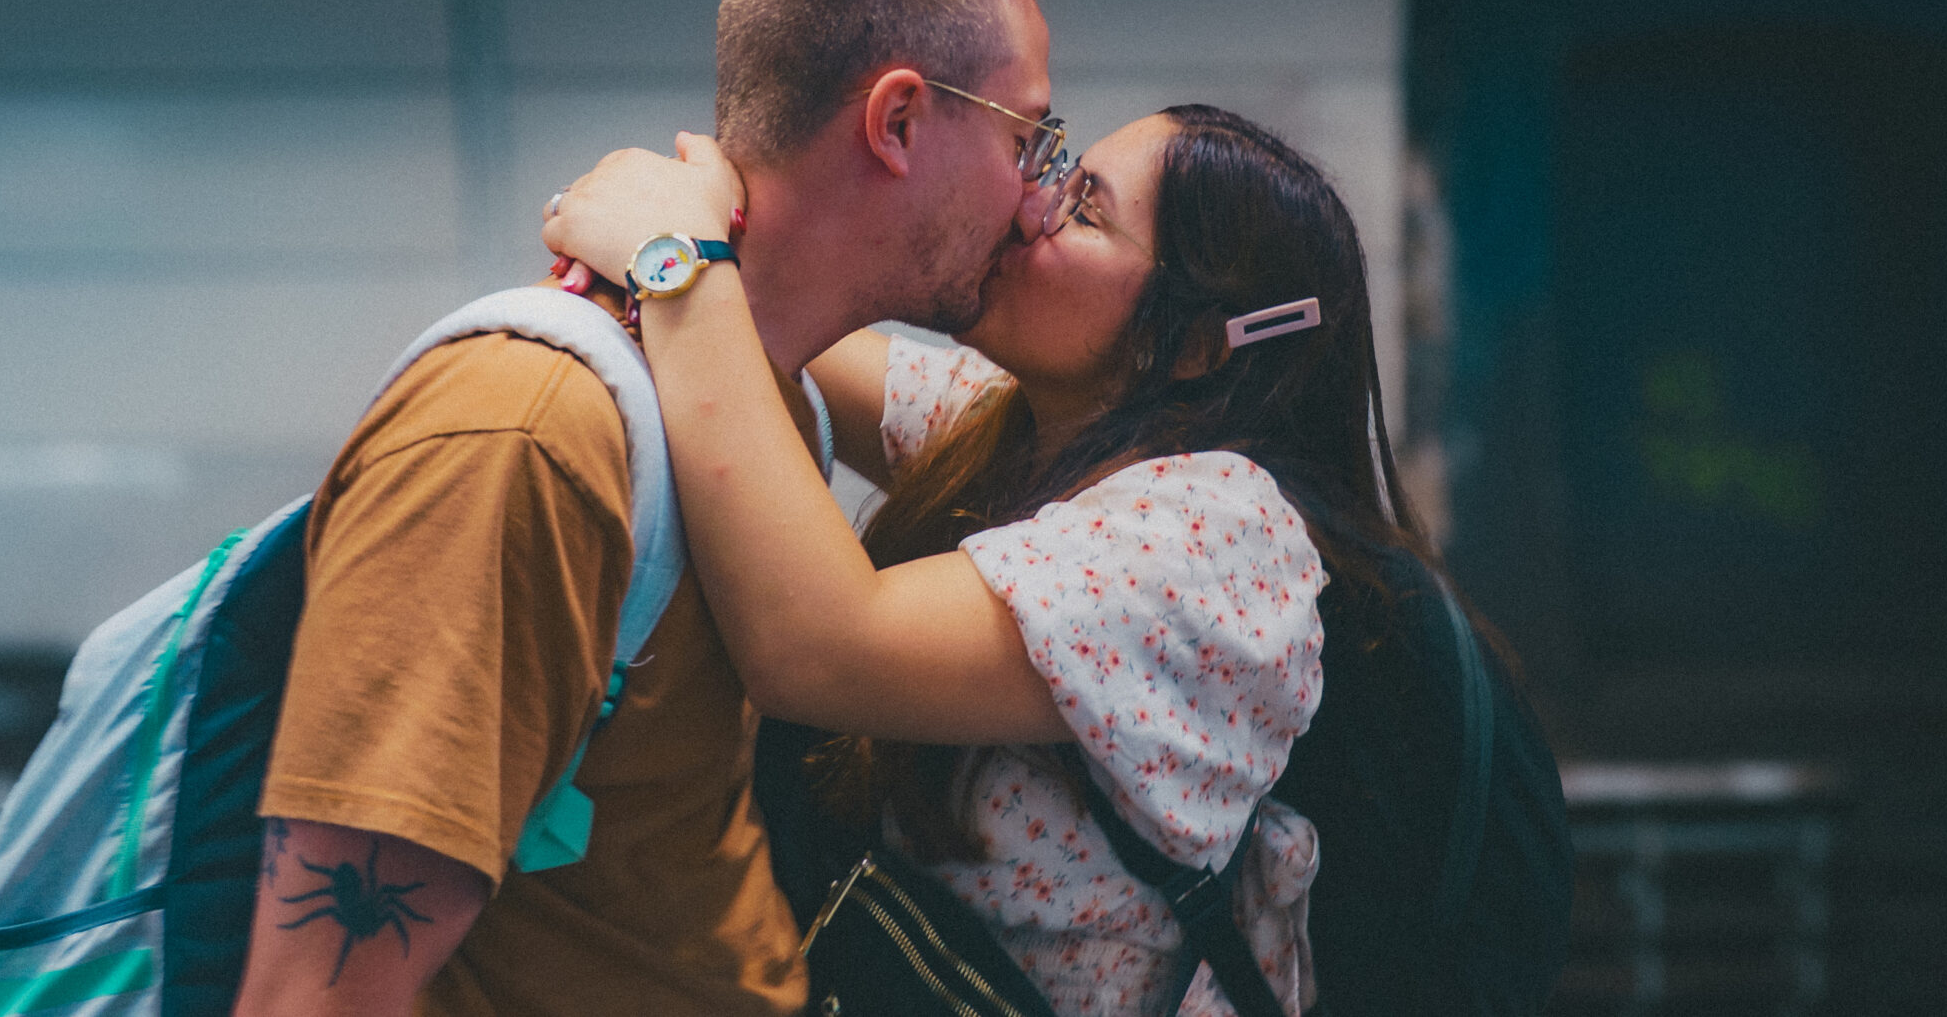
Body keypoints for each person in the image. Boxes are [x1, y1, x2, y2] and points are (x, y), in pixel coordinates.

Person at [229, 0, 1063, 1017]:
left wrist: (683, 267)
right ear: (900, 121)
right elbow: (311, 999)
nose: (1035, 197)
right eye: (1030, 134)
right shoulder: (527, 434)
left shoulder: (763, 406)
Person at [540, 104, 1428, 1017]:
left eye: (1083, 209)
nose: (1027, 201)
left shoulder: (1219, 540)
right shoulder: (1042, 432)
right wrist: (721, 207)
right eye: (1055, 166)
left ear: (1198, 344)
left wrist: (673, 256)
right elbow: (784, 322)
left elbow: (816, 645)